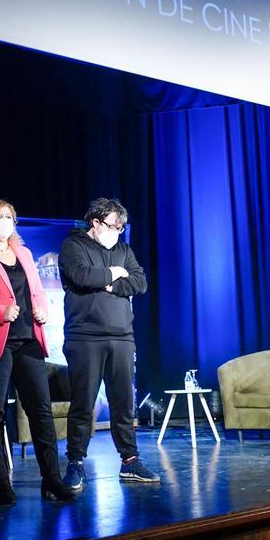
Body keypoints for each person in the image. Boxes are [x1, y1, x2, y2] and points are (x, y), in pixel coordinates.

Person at [0, 199, 77, 504]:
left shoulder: (23, 252)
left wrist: (41, 308)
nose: (6, 222)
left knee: (41, 411)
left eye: (10, 217)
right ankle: (1, 485)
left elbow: (35, 290)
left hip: (27, 339)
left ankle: (51, 479)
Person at [58, 197, 158, 490]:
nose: (119, 230)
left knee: (123, 404)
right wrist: (114, 273)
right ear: (96, 222)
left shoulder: (123, 250)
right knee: (83, 404)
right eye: (115, 225)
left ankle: (130, 461)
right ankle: (75, 462)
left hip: (122, 338)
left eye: (122, 226)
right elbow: (81, 275)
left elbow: (139, 283)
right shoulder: (73, 246)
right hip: (85, 337)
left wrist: (108, 283)